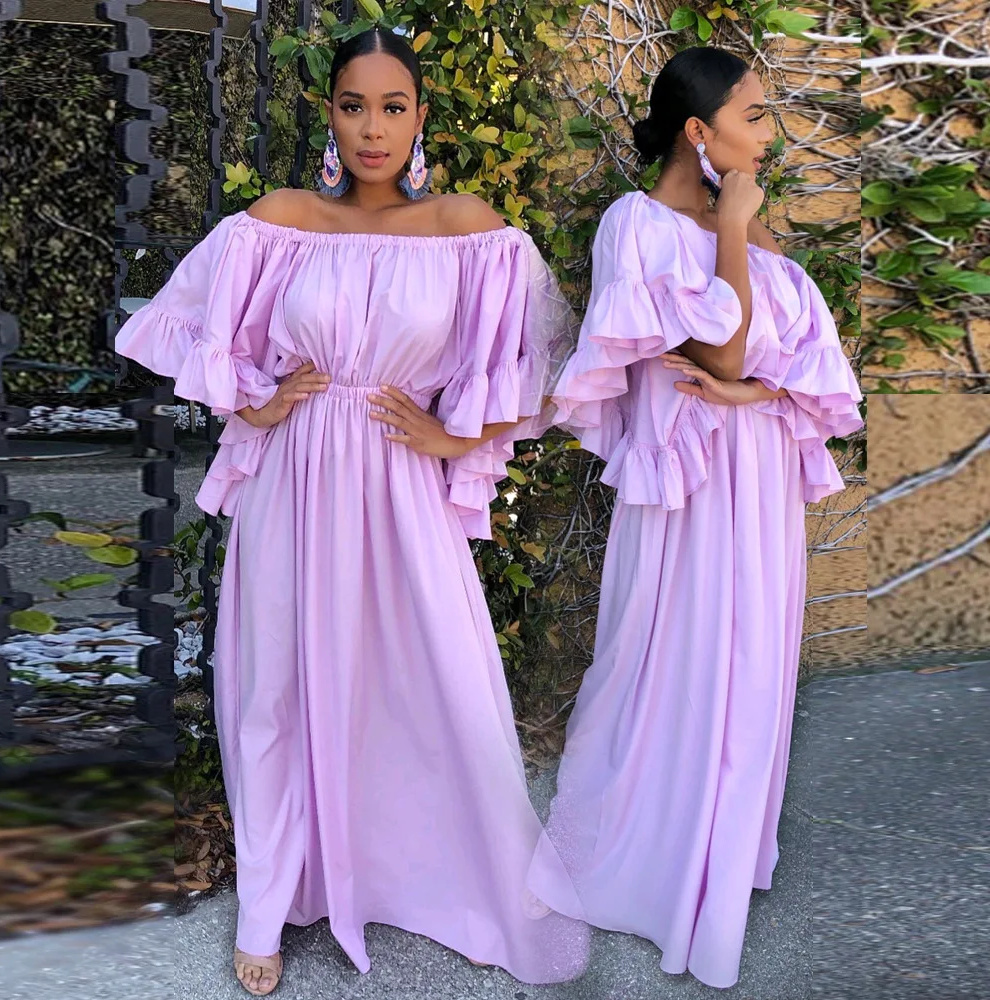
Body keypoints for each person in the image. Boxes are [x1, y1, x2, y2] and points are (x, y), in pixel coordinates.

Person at [114, 25, 590, 997]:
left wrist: (455, 438)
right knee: (275, 688)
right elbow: (181, 321)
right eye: (353, 105)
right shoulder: (280, 220)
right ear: (328, 115)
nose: (373, 127)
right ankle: (268, 903)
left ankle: (418, 874)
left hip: (403, 487)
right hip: (293, 483)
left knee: (434, 677)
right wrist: (254, 400)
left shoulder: (468, 228)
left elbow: (543, 354)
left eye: (392, 106)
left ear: (419, 118)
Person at [524, 46, 864, 989]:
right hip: (689, 491)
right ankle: (646, 855)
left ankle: (719, 849)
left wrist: (758, 391)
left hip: (757, 482)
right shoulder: (635, 226)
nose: (769, 135)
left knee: (750, 659)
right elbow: (722, 353)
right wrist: (733, 236)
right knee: (666, 657)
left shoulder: (751, 237)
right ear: (696, 131)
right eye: (754, 116)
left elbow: (785, 369)